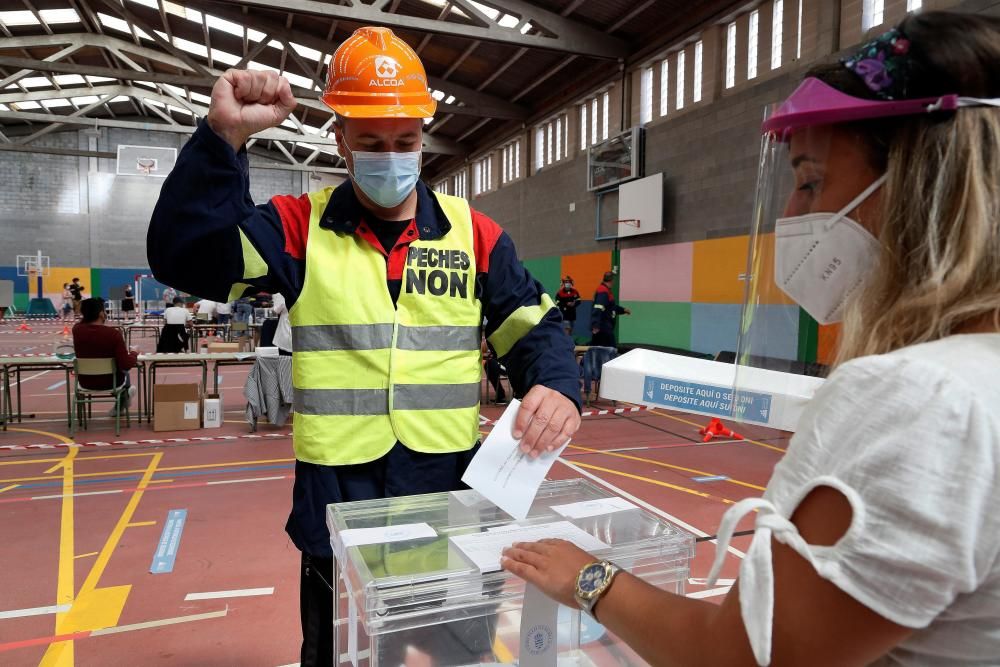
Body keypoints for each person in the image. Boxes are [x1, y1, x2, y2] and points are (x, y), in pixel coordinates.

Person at [502, 12, 1000, 666]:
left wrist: (589, 577)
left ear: (923, 184)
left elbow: (744, 655)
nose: (791, 214)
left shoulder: (919, 398)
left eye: (811, 180)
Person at [147, 25, 581, 666]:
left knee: (460, 659)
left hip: (449, 504)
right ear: (340, 138)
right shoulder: (299, 229)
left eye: (405, 141)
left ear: (424, 136)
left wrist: (555, 384)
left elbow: (533, 327)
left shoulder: (475, 235)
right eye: (371, 142)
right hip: (341, 509)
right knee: (341, 659)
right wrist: (223, 140)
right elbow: (186, 254)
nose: (391, 156)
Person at [72, 297, 138, 414]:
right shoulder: (113, 334)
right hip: (111, 382)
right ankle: (123, 398)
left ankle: (122, 401)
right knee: (124, 370)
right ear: (101, 314)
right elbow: (126, 364)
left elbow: (82, 325)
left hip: (85, 382)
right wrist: (134, 353)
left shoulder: (76, 330)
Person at [589, 271, 629, 347]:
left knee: (598, 348)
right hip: (603, 327)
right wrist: (595, 325)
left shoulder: (606, 291)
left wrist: (623, 310)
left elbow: (611, 308)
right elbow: (598, 308)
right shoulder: (603, 291)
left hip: (604, 327)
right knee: (611, 349)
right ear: (611, 280)